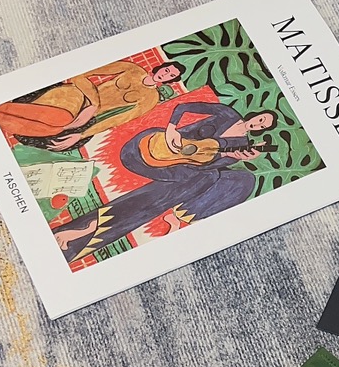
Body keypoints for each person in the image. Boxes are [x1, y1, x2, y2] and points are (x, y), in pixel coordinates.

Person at [50, 102, 277, 262]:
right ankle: (84, 231)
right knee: (193, 183)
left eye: (263, 126)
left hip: (177, 171)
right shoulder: (227, 114)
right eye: (261, 119)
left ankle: (82, 235)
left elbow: (202, 164)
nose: (258, 125)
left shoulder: (239, 145)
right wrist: (172, 129)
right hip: (151, 147)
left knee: (197, 182)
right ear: (255, 115)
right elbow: (183, 107)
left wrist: (233, 156)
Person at [0, 61, 184, 151]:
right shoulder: (132, 69)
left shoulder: (150, 99)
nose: (165, 74)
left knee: (59, 131)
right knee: (62, 118)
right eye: (167, 69)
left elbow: (116, 120)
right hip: (79, 96)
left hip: (89, 119)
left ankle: (0, 119)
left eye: (170, 75)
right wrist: (93, 103)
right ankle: (0, 114)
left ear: (170, 81)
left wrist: (82, 134)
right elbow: (82, 73)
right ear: (162, 67)